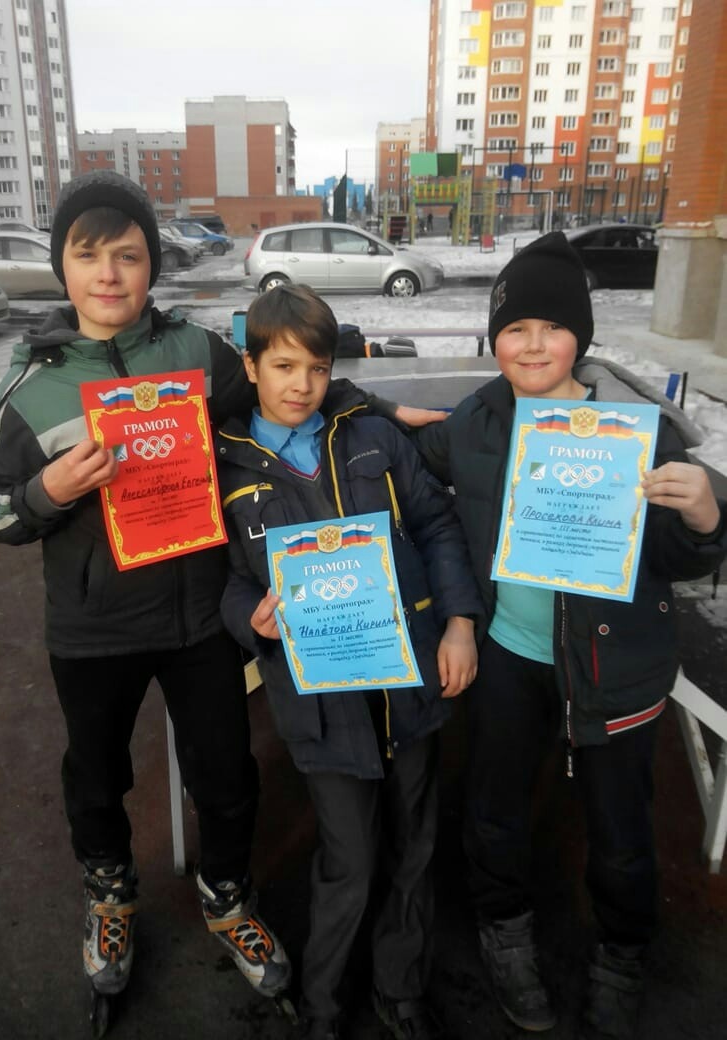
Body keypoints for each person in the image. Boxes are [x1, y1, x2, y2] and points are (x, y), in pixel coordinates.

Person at [0, 171, 443, 1018]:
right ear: (62, 265)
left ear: (151, 264)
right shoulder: (31, 383)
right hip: (94, 629)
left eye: (128, 255)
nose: (109, 274)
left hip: (199, 624)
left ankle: (227, 895)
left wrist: (375, 408)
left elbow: (284, 385)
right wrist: (48, 491)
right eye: (88, 255)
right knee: (97, 776)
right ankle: (111, 895)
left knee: (225, 776)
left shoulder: (196, 352)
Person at [412, 232, 726, 1039]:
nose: (533, 344)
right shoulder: (476, 421)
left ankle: (622, 953)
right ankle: (504, 930)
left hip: (614, 662)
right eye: (515, 328)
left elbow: (678, 557)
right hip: (509, 654)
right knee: (494, 807)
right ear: (495, 338)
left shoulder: (636, 429)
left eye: (552, 327)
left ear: (579, 336)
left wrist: (705, 515)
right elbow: (410, 461)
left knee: (622, 828)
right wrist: (369, 412)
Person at [216, 284, 483, 1040]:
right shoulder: (228, 470)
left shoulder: (372, 438)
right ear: (251, 366)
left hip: (407, 685)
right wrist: (252, 620)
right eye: (283, 366)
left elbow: (436, 525)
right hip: (322, 707)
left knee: (416, 848)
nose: (302, 384)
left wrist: (460, 623)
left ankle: (402, 991)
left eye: (318, 367)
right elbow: (227, 583)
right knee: (351, 861)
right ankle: (324, 1004)